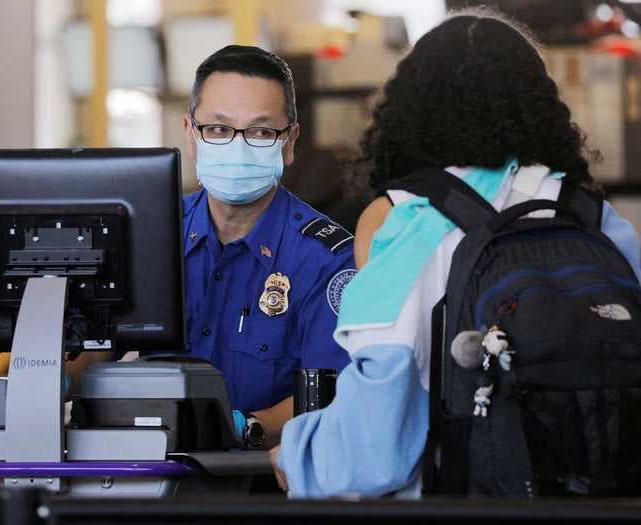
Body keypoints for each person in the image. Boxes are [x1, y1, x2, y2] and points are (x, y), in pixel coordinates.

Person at [270, 10, 641, 497]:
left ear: (408, 108)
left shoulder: (402, 223)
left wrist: (295, 456)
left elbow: (373, 451)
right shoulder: (594, 218)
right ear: (539, 107)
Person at [180, 45, 355, 448]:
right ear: (191, 135)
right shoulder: (151, 236)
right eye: (219, 130)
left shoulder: (326, 259)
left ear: (290, 141)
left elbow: (335, 391)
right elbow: (92, 355)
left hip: (262, 485)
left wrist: (242, 427)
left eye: (260, 132)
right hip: (138, 477)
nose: (237, 147)